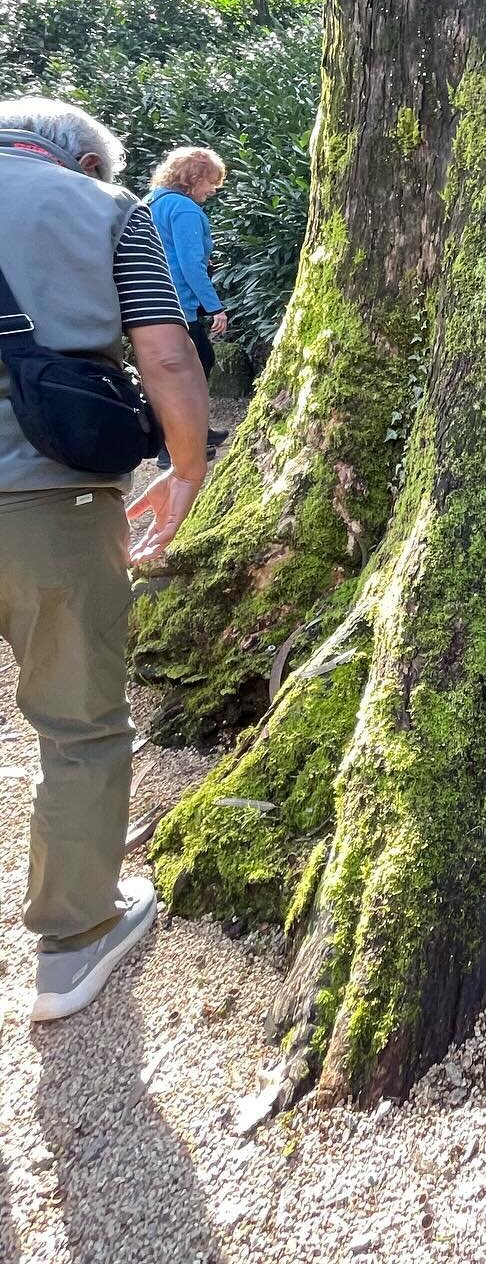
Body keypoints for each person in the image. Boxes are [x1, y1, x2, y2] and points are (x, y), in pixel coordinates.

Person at [0, 98, 209, 1021]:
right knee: (78, 720)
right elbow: (164, 355)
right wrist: (185, 469)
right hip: (50, 497)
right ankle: (74, 944)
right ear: (81, 159)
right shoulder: (105, 209)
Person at [145, 146, 229, 459]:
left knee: (184, 366)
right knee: (191, 368)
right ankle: (175, 448)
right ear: (192, 178)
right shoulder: (184, 210)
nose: (213, 189)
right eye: (210, 181)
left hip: (154, 299)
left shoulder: (154, 201)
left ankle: (196, 433)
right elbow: (190, 264)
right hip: (179, 301)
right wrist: (215, 306)